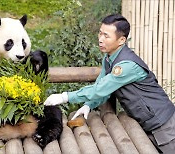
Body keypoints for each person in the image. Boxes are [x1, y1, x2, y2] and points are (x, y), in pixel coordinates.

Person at [44, 14, 175, 153]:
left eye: (106, 36)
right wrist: (89, 104)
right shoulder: (109, 59)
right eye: (100, 33)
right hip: (148, 123)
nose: (100, 39)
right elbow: (103, 88)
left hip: (165, 125)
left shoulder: (126, 66)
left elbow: (99, 89)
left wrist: (65, 96)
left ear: (121, 40)